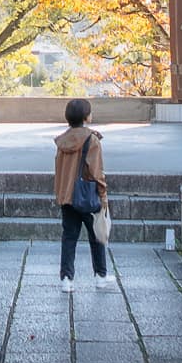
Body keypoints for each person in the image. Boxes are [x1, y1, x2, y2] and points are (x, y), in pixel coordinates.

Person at [53, 96, 112, 291]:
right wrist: (103, 195)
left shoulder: (62, 141)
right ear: (86, 117)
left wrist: (61, 194)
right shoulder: (91, 140)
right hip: (87, 195)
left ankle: (66, 279)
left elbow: (60, 170)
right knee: (97, 235)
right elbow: (97, 171)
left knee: (69, 237)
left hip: (67, 196)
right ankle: (100, 275)